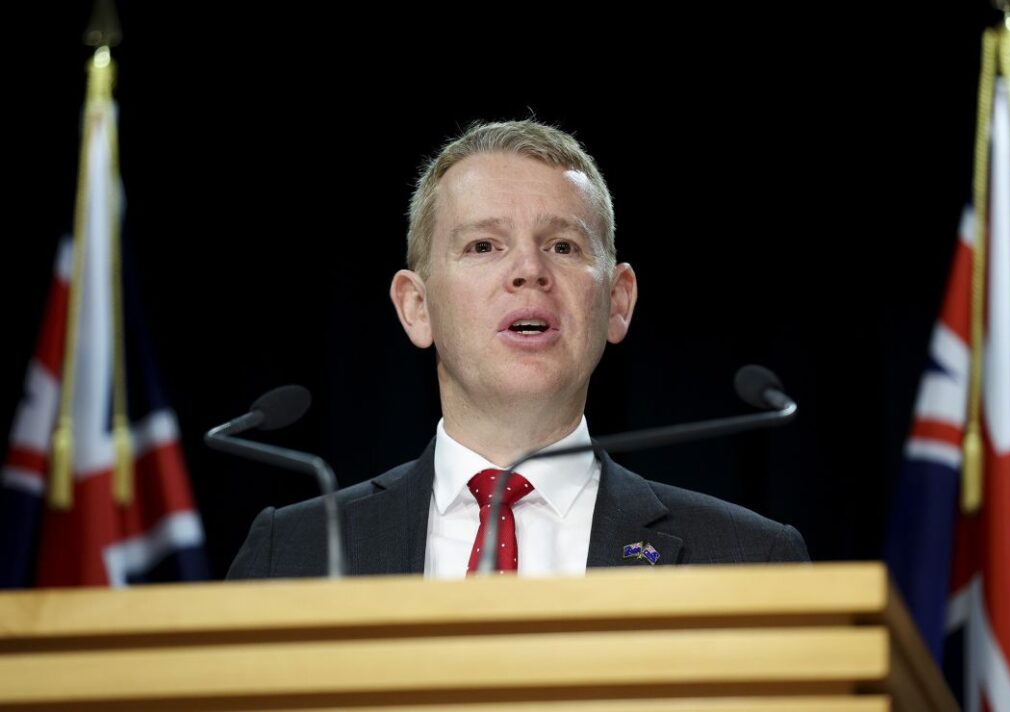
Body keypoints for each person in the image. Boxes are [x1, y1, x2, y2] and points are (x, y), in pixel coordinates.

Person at [227, 119, 808, 579]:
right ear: (416, 307)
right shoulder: (292, 550)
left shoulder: (747, 556)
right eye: (483, 246)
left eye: (561, 245)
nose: (529, 271)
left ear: (618, 301)